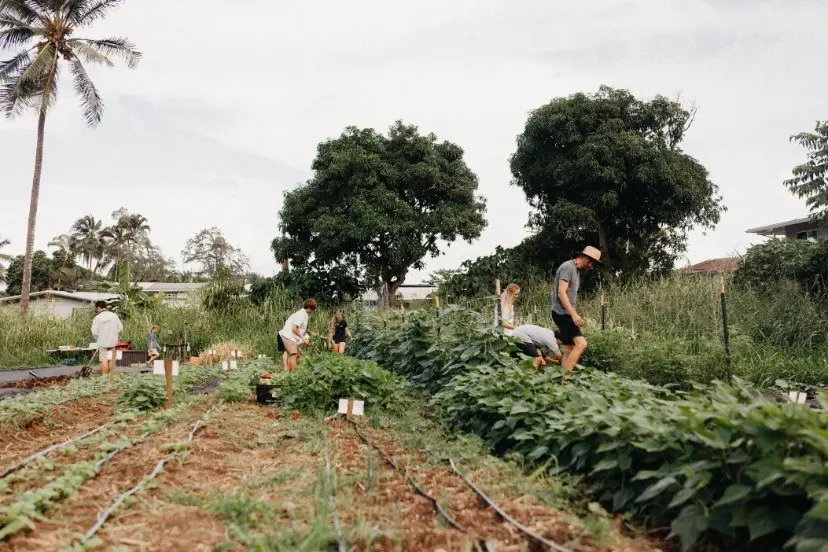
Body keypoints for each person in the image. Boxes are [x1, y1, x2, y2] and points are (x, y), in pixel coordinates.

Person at [552, 246, 601, 372]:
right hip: (562, 313)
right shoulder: (568, 267)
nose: (592, 267)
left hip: (564, 313)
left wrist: (573, 312)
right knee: (581, 344)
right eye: (592, 263)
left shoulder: (576, 271)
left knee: (569, 349)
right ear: (587, 259)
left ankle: (562, 382)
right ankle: (566, 379)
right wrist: (574, 315)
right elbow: (561, 293)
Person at [278, 299, 317, 372]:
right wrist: (303, 338)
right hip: (288, 336)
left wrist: (309, 333)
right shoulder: (301, 315)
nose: (313, 311)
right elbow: (294, 328)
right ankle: (294, 375)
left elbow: (301, 328)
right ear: (309, 307)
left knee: (296, 356)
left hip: (291, 337)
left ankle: (289, 373)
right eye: (313, 309)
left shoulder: (303, 314)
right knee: (294, 355)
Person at [91, 300, 123, 377]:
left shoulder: (97, 318)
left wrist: (98, 339)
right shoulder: (114, 315)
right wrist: (114, 334)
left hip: (102, 342)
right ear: (105, 307)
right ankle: (111, 376)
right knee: (112, 358)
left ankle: (104, 376)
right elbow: (120, 327)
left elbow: (94, 332)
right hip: (112, 341)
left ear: (98, 308)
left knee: (103, 359)